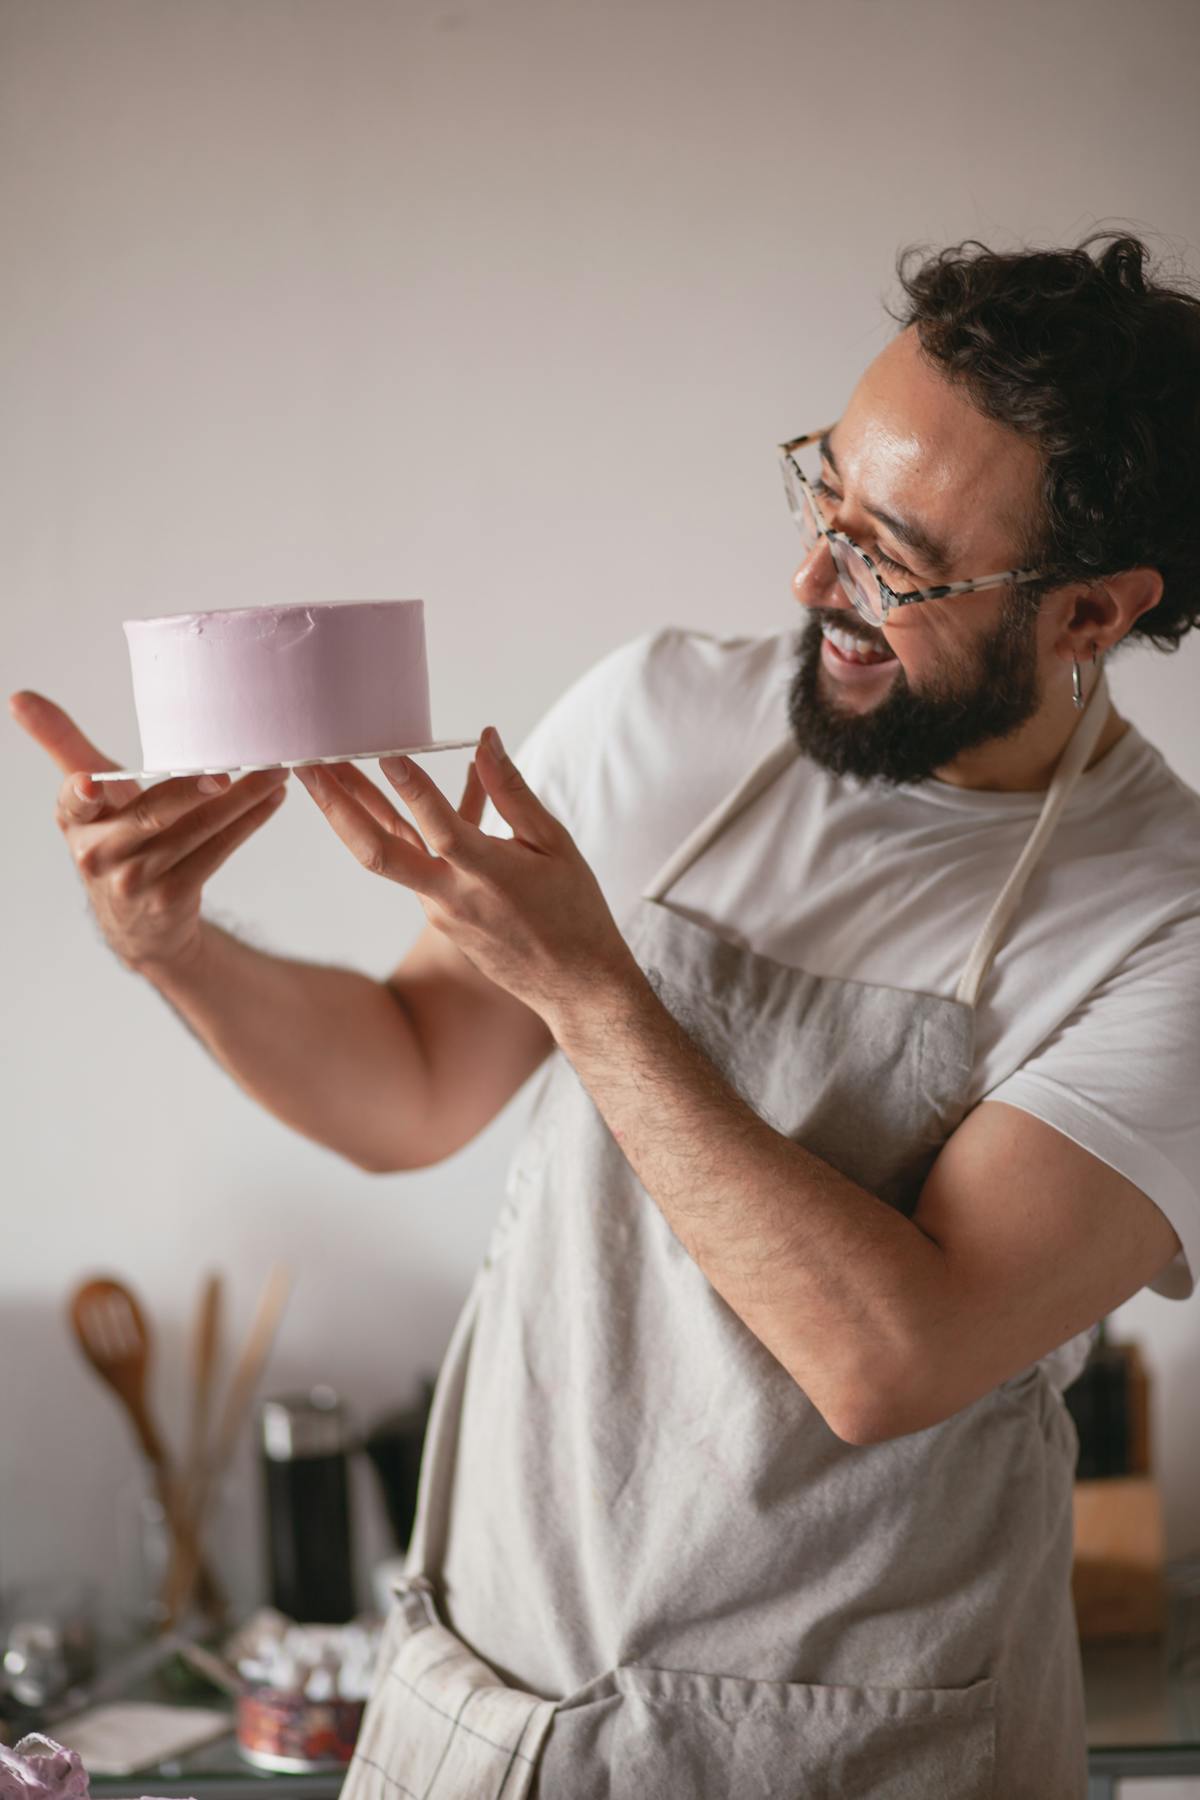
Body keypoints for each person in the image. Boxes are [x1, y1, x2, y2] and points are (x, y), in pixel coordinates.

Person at [13, 231, 1200, 1798]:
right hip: (496, 1711)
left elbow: (887, 1357)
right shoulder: (661, 716)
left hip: (863, 1757)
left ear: (1090, 614)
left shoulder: (1161, 922)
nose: (808, 581)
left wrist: (589, 980)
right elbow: (416, 1084)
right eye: (821, 494)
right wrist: (169, 945)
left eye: (893, 558)